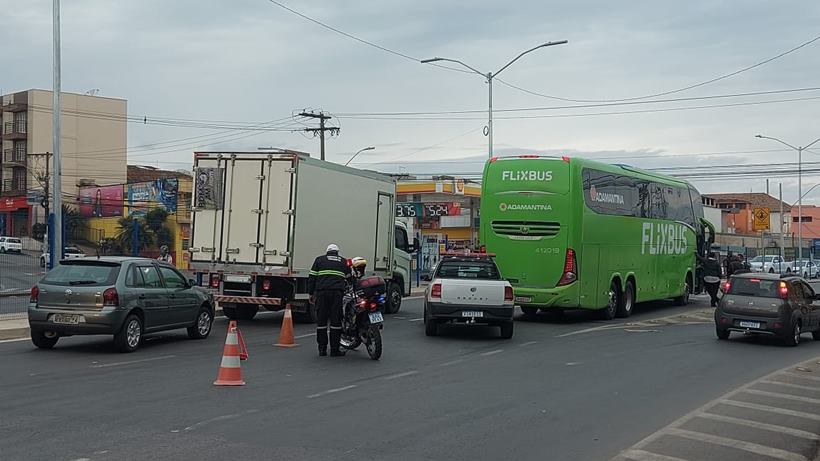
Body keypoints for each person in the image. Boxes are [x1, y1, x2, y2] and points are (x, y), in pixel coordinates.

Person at [308, 243, 352, 357]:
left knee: (321, 322)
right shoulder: (344, 261)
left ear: (327, 251)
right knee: (335, 322)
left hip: (322, 293)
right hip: (337, 294)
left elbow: (312, 278)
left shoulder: (319, 260)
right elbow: (350, 279)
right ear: (337, 252)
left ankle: (322, 349)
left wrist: (311, 293)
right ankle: (334, 350)